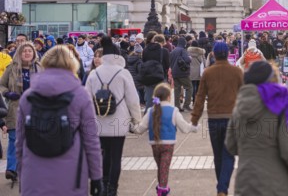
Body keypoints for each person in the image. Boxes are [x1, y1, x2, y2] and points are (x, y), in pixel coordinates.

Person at [15, 45, 103, 195]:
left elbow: (20, 142)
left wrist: (21, 175)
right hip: (71, 175)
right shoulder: (80, 95)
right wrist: (96, 176)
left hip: (34, 175)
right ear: (72, 64)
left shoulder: (28, 97)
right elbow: (91, 140)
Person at [225, 60, 288, 195]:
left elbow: (230, 145)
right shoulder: (282, 102)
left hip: (245, 181)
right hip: (273, 182)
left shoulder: (240, 102)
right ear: (273, 78)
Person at [85, 36, 142, 195]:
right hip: (119, 121)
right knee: (116, 157)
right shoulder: (123, 73)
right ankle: (112, 189)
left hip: (99, 121)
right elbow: (133, 100)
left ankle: (102, 185)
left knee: (103, 154)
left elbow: (86, 99)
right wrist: (136, 120)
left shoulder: (94, 74)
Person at [191, 42, 243, 196]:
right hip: (231, 119)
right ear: (228, 54)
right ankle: (222, 188)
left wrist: (194, 119)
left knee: (217, 155)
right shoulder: (237, 72)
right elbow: (246, 95)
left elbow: (200, 97)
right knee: (228, 155)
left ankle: (222, 188)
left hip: (213, 118)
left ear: (213, 54)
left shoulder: (208, 73)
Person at [135, 83, 198, 195]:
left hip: (154, 144)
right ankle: (163, 190)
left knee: (161, 167)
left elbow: (140, 129)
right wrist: (193, 127)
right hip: (168, 145)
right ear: (169, 97)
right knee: (164, 168)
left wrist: (132, 127)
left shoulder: (150, 110)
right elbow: (184, 128)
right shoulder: (173, 110)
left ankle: (161, 187)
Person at [0, 41, 43, 182]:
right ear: (19, 53)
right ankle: (12, 169)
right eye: (24, 51)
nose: (27, 53)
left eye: (29, 51)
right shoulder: (11, 68)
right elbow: (1, 85)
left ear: (33, 53)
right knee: (14, 139)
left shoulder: (39, 68)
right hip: (15, 107)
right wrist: (7, 93)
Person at [141, 32, 170, 109]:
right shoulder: (164, 51)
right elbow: (167, 65)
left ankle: (148, 116)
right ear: (163, 42)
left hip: (148, 78)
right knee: (158, 98)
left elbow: (143, 62)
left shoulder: (145, 49)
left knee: (149, 100)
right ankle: (156, 115)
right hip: (160, 77)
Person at [170, 37, 192, 112]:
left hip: (175, 73)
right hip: (183, 73)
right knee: (189, 87)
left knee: (177, 89)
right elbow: (187, 59)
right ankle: (186, 105)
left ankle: (177, 106)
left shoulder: (173, 51)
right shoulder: (183, 50)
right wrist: (190, 58)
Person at [188, 41, 205, 106]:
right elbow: (204, 62)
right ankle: (197, 100)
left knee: (192, 86)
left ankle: (193, 100)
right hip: (199, 71)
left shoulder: (188, 52)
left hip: (191, 70)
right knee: (198, 86)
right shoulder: (201, 53)